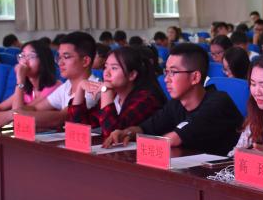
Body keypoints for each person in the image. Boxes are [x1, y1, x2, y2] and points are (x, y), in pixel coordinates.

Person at [102, 44, 243, 155]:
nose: (166, 79)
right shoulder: (176, 104)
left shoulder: (218, 102)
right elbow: (146, 128)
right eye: (166, 72)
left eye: (173, 72)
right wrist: (126, 132)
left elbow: (174, 138)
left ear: (195, 77)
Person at [0, 32, 101, 131]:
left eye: (66, 57)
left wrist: (11, 115)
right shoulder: (67, 86)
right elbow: (35, 108)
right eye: (59, 57)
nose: (60, 63)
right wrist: (9, 114)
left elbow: (61, 117)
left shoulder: (93, 88)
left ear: (85, 61)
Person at [67, 46, 166, 137]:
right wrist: (80, 88)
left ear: (132, 75)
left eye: (114, 68)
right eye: (105, 67)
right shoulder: (114, 96)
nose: (106, 73)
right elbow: (80, 126)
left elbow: (112, 134)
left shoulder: (146, 99)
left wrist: (106, 91)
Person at [0, 41, 62, 131]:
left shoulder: (54, 87)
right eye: (22, 56)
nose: (25, 61)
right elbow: (0, 107)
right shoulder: (26, 89)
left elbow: (18, 113)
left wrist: (20, 79)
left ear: (43, 60)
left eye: (31, 56)